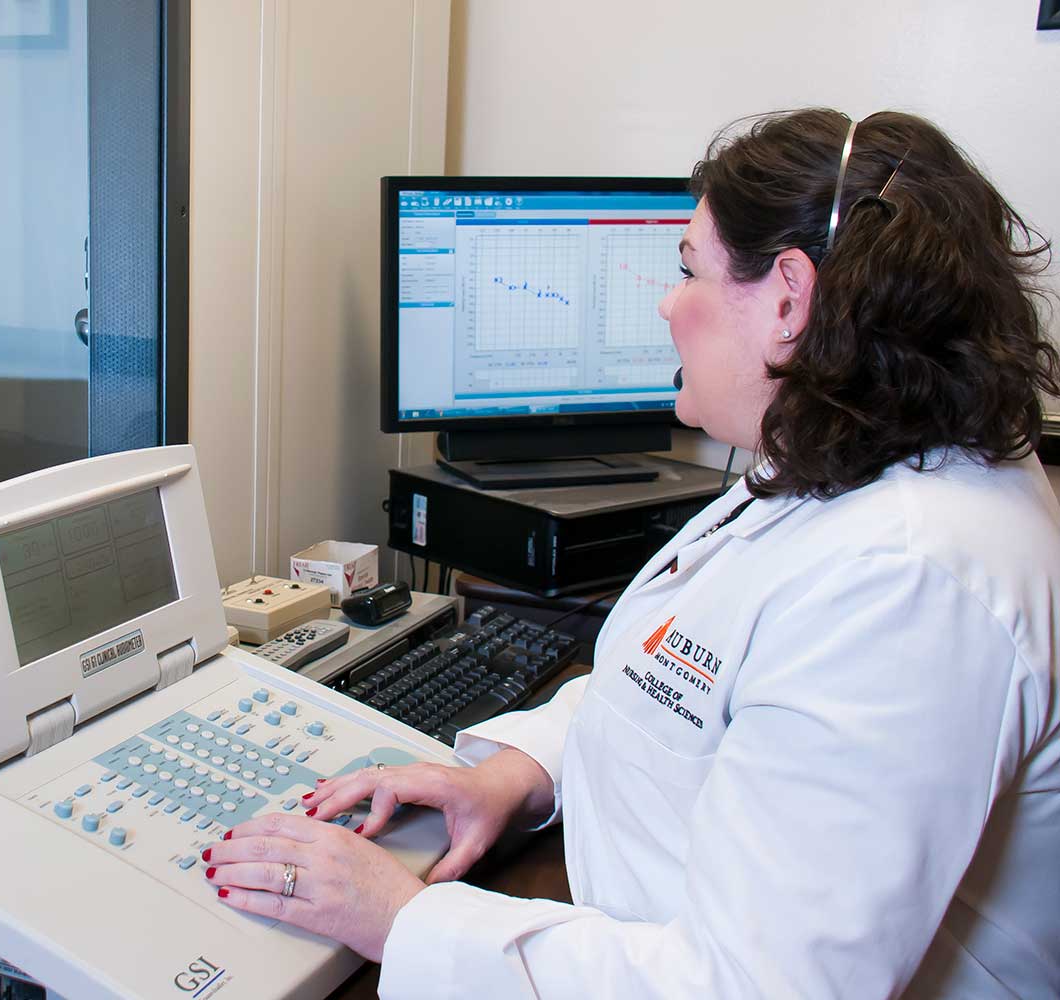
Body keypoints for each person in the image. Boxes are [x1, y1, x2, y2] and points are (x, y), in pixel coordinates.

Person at [200, 109, 1060, 997]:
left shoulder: (913, 583)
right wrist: (513, 775)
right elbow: (673, 691)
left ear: (790, 300)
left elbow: (755, 989)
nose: (664, 302)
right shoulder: (854, 454)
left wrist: (402, 919)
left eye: (688, 268)